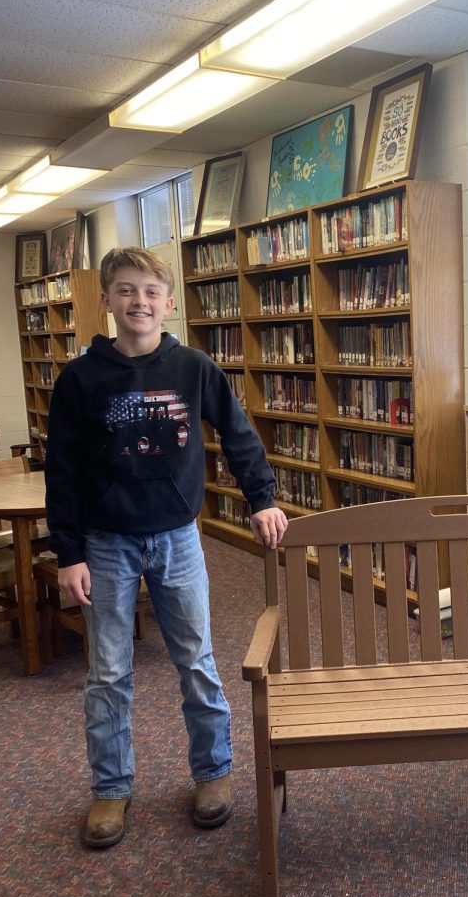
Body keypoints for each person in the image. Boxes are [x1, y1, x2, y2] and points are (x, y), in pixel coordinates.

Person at [45, 246, 289, 848]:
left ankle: (212, 773)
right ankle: (110, 788)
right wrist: (67, 552)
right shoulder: (80, 380)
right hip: (105, 545)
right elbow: (62, 471)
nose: (139, 303)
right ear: (106, 299)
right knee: (107, 674)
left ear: (169, 302)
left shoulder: (194, 368)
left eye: (151, 292)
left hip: (178, 538)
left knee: (197, 662)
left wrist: (262, 498)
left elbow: (238, 435)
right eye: (126, 291)